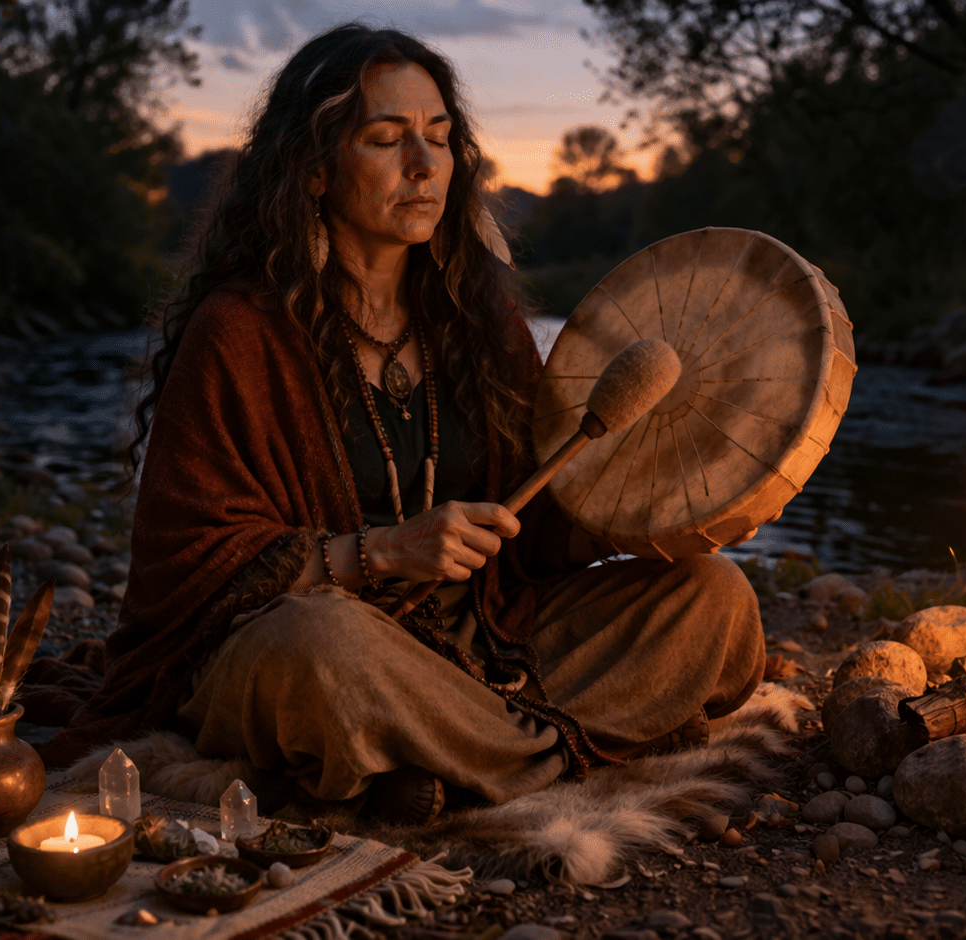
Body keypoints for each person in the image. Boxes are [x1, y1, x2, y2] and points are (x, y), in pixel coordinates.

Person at [49, 24, 765, 824]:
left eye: (440, 138)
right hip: (308, 637)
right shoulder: (241, 330)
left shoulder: (478, 319)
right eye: (387, 139)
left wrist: (644, 521)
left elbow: (526, 535)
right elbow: (187, 568)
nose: (425, 166)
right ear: (314, 170)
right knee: (319, 654)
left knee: (712, 596)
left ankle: (434, 766)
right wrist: (381, 550)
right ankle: (547, 751)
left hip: (479, 639)